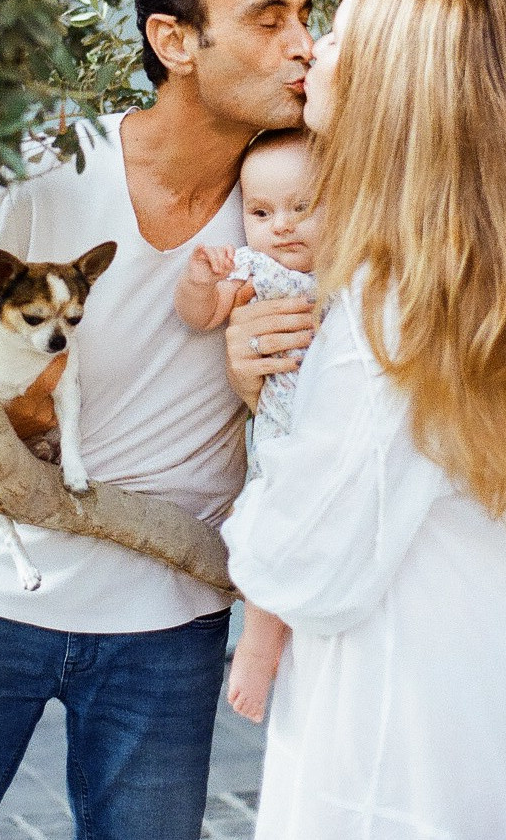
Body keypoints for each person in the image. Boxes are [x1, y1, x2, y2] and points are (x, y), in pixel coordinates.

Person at [0, 0, 317, 840]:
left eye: (305, 15)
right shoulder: (42, 169)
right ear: (173, 39)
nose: (303, 45)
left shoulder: (291, 211)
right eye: (270, 20)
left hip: (166, 612)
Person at [222, 0, 506, 840]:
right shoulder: (491, 281)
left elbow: (309, 560)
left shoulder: (389, 315)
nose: (311, 52)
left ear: (386, 84)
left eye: (336, 35)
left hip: (400, 746)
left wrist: (260, 434)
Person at [174, 128, 321, 722]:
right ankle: (260, 638)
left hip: (337, 429)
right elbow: (202, 315)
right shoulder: (255, 269)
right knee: (274, 522)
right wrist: (200, 282)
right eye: (259, 212)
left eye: (301, 207)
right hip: (281, 434)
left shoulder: (353, 267)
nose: (280, 225)